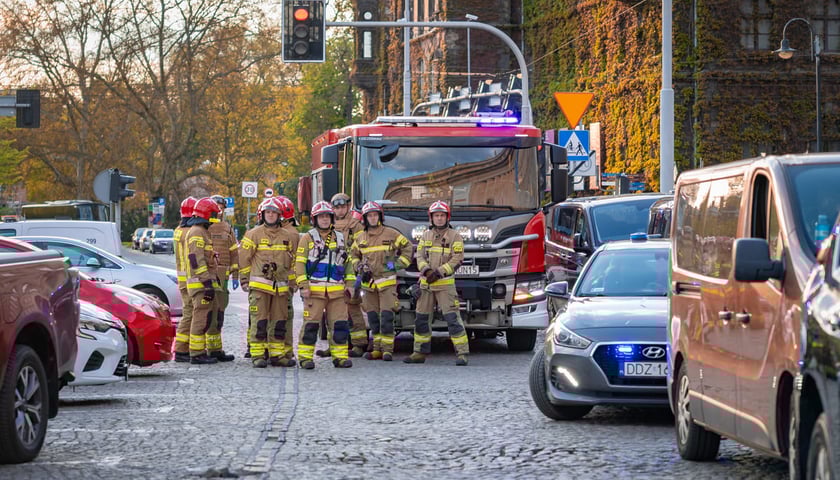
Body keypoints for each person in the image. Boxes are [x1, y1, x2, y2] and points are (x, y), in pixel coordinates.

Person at [404, 201, 469, 366]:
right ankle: (419, 352)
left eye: (442, 215)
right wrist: (426, 270)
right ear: (431, 218)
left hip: (445, 285)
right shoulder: (425, 235)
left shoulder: (455, 236)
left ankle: (462, 353)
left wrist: (439, 272)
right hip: (426, 284)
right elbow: (419, 256)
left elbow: (458, 258)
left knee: (453, 319)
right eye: (436, 216)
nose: (439, 219)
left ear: (447, 217)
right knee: (421, 319)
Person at [349, 201, 413, 361]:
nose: (372, 218)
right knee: (373, 319)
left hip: (387, 284)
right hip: (369, 285)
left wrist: (395, 264)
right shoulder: (361, 238)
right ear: (365, 218)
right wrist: (359, 267)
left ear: (380, 216)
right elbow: (353, 255)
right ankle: (376, 349)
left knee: (386, 318)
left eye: (375, 215)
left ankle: (387, 350)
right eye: (369, 215)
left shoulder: (391, 234)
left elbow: (408, 248)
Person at [239, 197, 299, 368]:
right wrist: (244, 280)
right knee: (260, 321)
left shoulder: (287, 236)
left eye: (274, 212)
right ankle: (258, 355)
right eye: (268, 212)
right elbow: (243, 258)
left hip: (281, 288)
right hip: (259, 288)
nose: (271, 215)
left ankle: (277, 355)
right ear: (262, 214)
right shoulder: (253, 234)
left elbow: (294, 262)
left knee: (279, 322)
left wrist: (293, 283)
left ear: (280, 215)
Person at [295, 201, 354, 369]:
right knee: (311, 325)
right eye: (321, 217)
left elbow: (348, 264)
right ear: (315, 219)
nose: (325, 220)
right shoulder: (307, 238)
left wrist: (350, 283)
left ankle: (340, 357)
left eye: (327, 216)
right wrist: (303, 285)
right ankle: (306, 358)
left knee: (340, 325)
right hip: (314, 290)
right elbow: (299, 264)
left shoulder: (341, 237)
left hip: (337, 292)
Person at [314, 193, 367, 358]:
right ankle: (334, 345)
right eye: (336, 207)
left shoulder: (356, 225)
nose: (339, 210)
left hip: (350, 271)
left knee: (353, 309)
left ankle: (359, 344)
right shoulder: (328, 224)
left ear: (348, 206)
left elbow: (362, 248)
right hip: (332, 273)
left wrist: (358, 272)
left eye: (342, 206)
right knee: (331, 311)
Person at [184, 197, 228, 364]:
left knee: (211, 317)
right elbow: (196, 260)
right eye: (213, 215)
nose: (214, 219)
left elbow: (203, 257)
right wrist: (206, 283)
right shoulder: (196, 232)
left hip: (206, 282)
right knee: (201, 318)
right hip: (201, 284)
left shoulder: (201, 231)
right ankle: (196, 353)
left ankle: (210, 350)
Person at [207, 195, 238, 361]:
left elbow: (234, 252)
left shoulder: (227, 228)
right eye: (216, 206)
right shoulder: (202, 226)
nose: (219, 210)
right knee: (206, 314)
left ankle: (215, 349)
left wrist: (236, 276)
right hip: (206, 277)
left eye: (221, 207)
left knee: (219, 313)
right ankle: (202, 349)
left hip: (223, 278)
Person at [276, 195, 300, 360]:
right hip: (287, 281)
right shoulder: (294, 232)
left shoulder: (287, 233)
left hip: (284, 281)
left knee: (282, 316)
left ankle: (284, 349)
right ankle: (285, 349)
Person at [173, 196, 197, 363]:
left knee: (189, 313)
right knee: (190, 314)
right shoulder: (190, 232)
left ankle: (183, 347)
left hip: (182, 279)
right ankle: (181, 349)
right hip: (190, 280)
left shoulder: (178, 230)